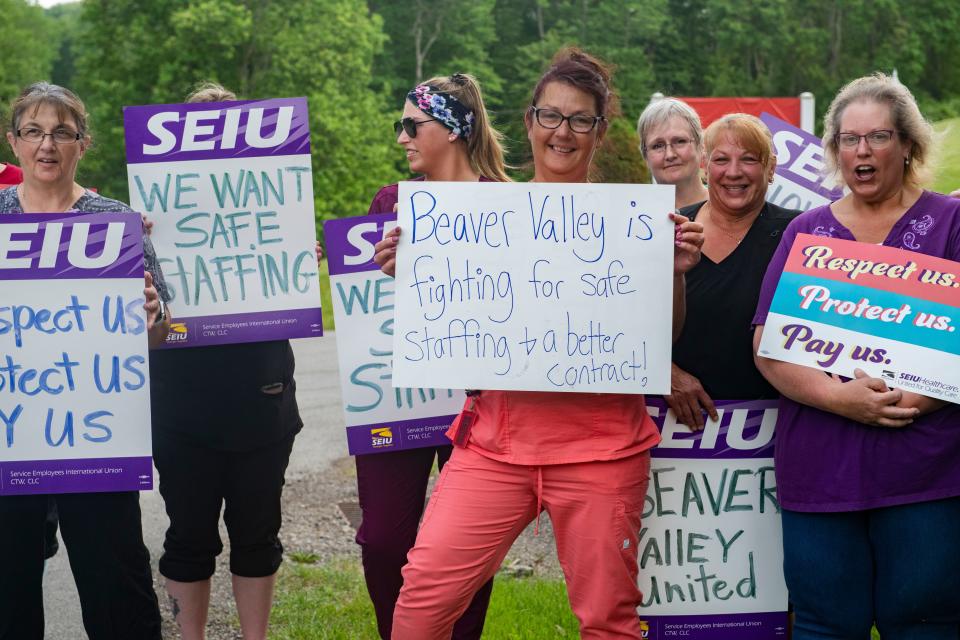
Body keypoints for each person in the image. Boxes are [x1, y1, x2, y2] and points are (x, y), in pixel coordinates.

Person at [381, 48, 703, 639]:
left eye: (580, 119)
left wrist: (674, 272)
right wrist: (413, 272)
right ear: (529, 121)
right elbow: (456, 314)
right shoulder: (481, 214)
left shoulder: (632, 221)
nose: (563, 131)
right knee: (421, 603)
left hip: (601, 449)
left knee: (608, 620)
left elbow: (663, 336)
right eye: (550, 116)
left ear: (600, 132)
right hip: (495, 448)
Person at [753, 73, 960, 637]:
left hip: (926, 473)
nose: (862, 150)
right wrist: (841, 399)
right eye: (849, 139)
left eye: (879, 137)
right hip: (822, 474)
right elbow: (768, 346)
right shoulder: (805, 232)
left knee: (927, 622)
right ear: (834, 150)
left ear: (909, 145)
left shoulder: (951, 224)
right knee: (823, 624)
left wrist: (903, 403)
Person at [0, 82, 168, 640]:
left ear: (82, 144)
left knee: (115, 585)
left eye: (62, 133)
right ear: (14, 141)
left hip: (95, 442)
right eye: (34, 132)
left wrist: (152, 317)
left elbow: (161, 333)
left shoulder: (114, 222)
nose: (47, 145)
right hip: (9, 438)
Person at [148, 81, 304, 640]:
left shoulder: (276, 204)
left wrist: (296, 263)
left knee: (258, 533)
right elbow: (144, 325)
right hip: (179, 404)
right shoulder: (149, 217)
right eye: (200, 128)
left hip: (262, 398)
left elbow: (292, 292)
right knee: (187, 536)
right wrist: (135, 247)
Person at [360, 72, 508, 640]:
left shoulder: (507, 204)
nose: (402, 136)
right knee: (382, 541)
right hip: (399, 398)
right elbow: (367, 306)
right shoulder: (391, 202)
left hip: (480, 402)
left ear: (451, 129)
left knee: (467, 547)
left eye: (411, 124)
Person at [668, 114, 799, 429]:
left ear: (770, 168)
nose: (734, 172)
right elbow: (626, 326)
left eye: (750, 159)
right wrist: (665, 374)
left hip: (770, 433)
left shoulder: (798, 234)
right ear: (704, 165)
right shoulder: (670, 229)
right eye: (721, 160)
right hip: (674, 431)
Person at [637, 97, 708, 209]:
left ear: (701, 146)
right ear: (645, 157)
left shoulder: (728, 208)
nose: (670, 155)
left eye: (680, 141)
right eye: (657, 146)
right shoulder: (632, 215)